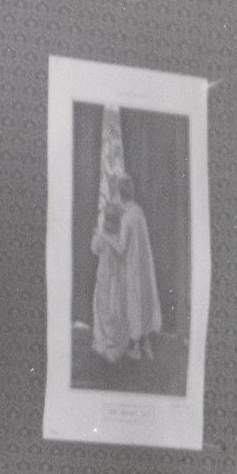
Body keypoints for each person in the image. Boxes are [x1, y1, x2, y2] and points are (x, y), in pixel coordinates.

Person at [84, 107, 163, 367]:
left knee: (133, 310)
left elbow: (121, 248)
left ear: (121, 193)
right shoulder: (137, 211)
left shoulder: (129, 216)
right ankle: (142, 347)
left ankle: (138, 349)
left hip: (130, 268)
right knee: (139, 309)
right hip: (139, 268)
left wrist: (105, 238)